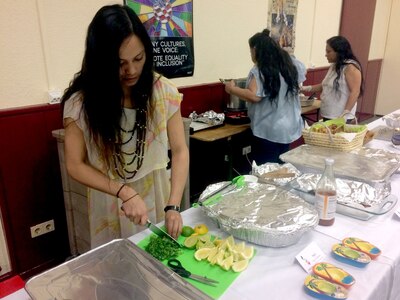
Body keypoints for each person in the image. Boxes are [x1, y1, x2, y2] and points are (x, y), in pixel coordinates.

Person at [60, 4, 189, 247]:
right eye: (119, 63)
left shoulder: (163, 91)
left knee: (157, 268)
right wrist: (124, 191)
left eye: (138, 58)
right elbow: (74, 165)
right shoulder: (81, 104)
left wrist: (173, 204)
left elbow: (180, 150)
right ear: (101, 62)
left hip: (157, 194)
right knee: (116, 274)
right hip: (109, 198)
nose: (131, 70)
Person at [224, 29, 304, 164]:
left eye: (250, 51)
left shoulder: (260, 69)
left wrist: (232, 89)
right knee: (281, 168)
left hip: (269, 130)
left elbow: (254, 96)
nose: (251, 55)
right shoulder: (289, 64)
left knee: (265, 172)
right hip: (288, 128)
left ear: (255, 49)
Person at [302, 36, 363, 123]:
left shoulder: (350, 67)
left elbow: (355, 92)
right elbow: (325, 85)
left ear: (339, 52)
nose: (326, 54)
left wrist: (345, 113)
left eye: (328, 51)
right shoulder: (334, 65)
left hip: (340, 117)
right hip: (329, 114)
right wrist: (304, 88)